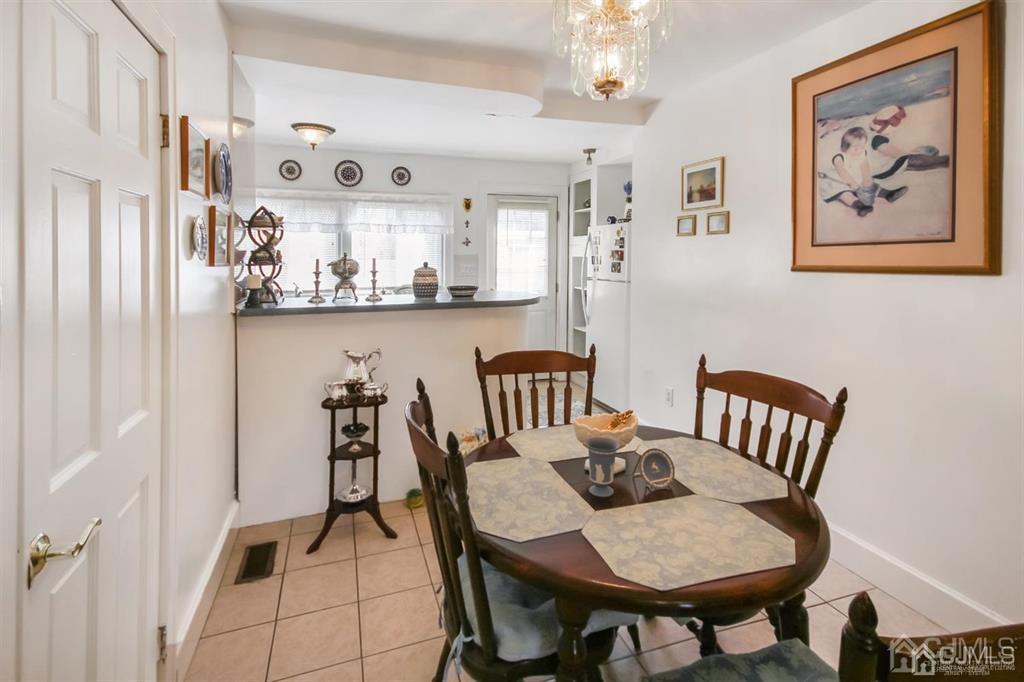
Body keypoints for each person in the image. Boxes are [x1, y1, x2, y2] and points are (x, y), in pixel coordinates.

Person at [819, 127, 908, 217]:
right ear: (845, 146)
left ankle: (888, 194)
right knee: (845, 195)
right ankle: (860, 207)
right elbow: (842, 172)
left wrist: (867, 180)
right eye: (856, 148)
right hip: (837, 182)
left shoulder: (861, 153)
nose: (860, 150)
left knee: (871, 187)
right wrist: (852, 183)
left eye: (862, 146)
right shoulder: (839, 157)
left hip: (856, 178)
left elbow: (865, 167)